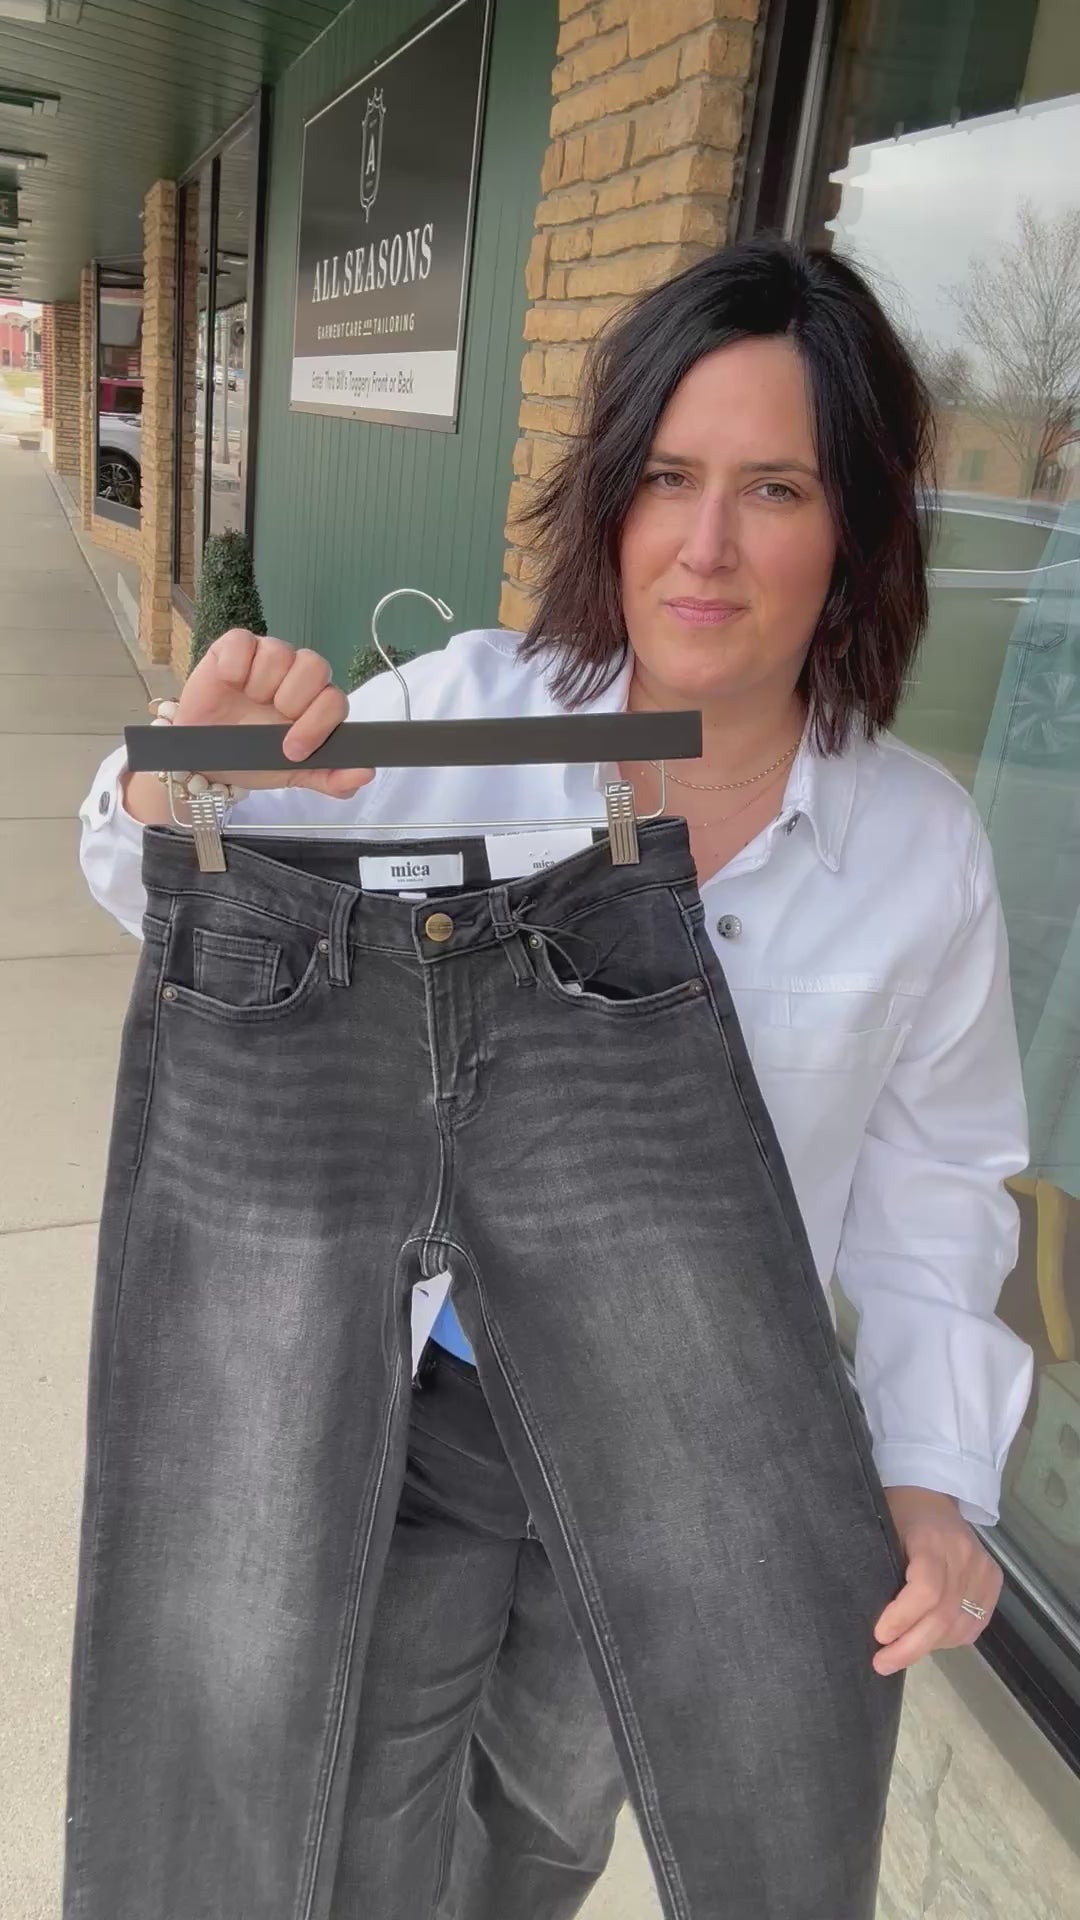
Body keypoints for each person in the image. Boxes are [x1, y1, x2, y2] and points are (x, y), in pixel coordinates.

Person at [79, 236, 1032, 1919]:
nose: (706, 545)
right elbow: (164, 898)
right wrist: (181, 776)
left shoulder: (917, 847)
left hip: (705, 1430)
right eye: (668, 477)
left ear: (858, 528)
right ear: (611, 497)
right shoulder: (465, 712)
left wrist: (933, 1468)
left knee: (547, 1824)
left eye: (776, 488)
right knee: (356, 1824)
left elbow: (936, 1183)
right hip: (418, 1413)